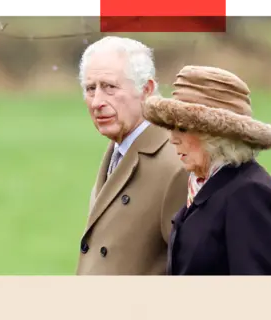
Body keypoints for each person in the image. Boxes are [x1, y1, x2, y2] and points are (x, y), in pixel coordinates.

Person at [142, 65, 271, 275]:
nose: (172, 138)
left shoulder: (249, 194)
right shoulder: (206, 184)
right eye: (171, 127)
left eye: (183, 128)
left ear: (215, 135)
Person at [75, 36, 188, 275]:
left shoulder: (175, 164)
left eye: (110, 87)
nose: (97, 102)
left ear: (146, 90)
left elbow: (188, 269)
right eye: (90, 88)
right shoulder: (118, 149)